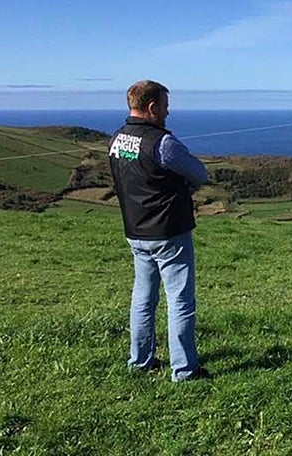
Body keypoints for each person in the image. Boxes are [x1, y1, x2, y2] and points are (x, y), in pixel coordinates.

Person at [109, 80, 210, 382]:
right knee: (180, 301)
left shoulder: (116, 139)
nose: (168, 113)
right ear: (152, 107)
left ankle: (140, 361)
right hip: (169, 230)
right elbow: (199, 173)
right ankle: (184, 370)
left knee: (143, 298)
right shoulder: (162, 143)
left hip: (135, 229)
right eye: (165, 107)